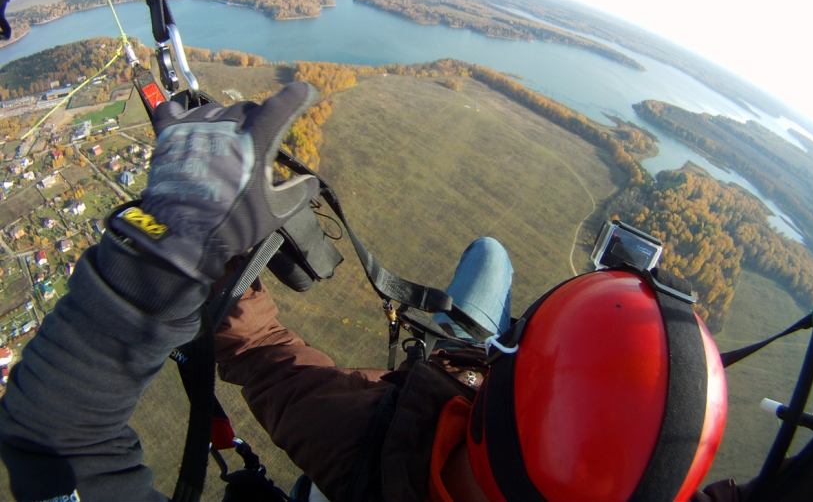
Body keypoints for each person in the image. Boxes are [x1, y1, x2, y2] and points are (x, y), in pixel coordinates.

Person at [0, 81, 761, 501]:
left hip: (402, 425)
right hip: (448, 399)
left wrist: (176, 256)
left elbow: (50, 435)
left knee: (489, 260)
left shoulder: (366, 448)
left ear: (503, 389)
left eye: (521, 350)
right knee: (492, 254)